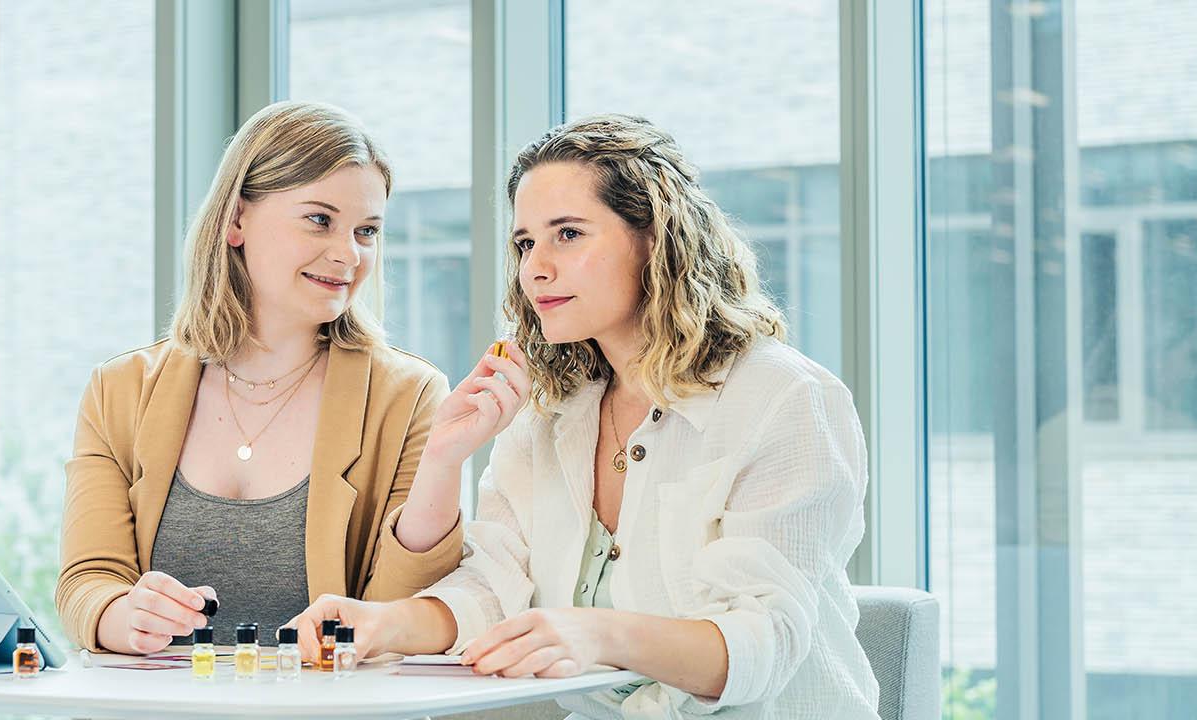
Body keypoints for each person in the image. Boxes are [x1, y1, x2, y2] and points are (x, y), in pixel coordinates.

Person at [289, 114, 880, 719]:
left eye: (568, 234)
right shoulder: (547, 410)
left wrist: (595, 633)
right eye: (525, 243)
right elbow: (494, 585)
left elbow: (765, 642)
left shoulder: (785, 398)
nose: (535, 268)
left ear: (657, 238)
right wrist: (383, 623)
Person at [56, 101, 509, 653]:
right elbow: (86, 580)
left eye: (366, 231)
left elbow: (395, 623)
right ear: (237, 220)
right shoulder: (119, 390)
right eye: (320, 220)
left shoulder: (408, 396)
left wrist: (444, 463)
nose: (348, 254)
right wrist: (120, 615)